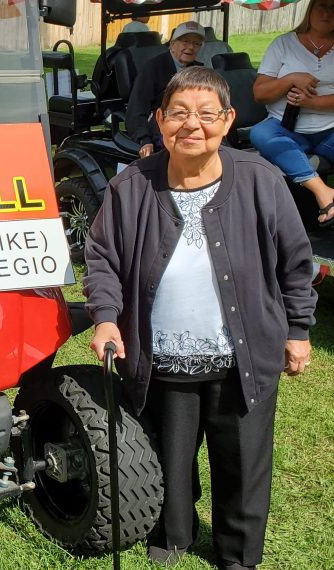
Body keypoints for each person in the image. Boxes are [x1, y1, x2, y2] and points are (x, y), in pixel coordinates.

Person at [84, 67, 316, 570]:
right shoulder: (131, 186)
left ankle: (238, 555)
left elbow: (297, 261)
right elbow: (103, 256)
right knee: (171, 457)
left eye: (207, 114)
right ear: (160, 120)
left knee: (243, 465)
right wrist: (106, 317)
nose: (193, 125)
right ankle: (173, 537)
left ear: (228, 120)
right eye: (180, 114)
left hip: (243, 356)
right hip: (162, 355)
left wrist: (297, 329)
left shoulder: (261, 179)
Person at [249, 0, 334, 227]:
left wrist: (313, 102)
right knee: (260, 134)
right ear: (310, 10)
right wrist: (291, 79)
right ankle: (323, 191)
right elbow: (260, 93)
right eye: (322, 6)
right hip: (285, 128)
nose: (327, 13)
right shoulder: (283, 44)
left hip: (330, 131)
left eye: (333, 7)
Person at [126, 21, 205, 158]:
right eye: (185, 42)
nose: (191, 47)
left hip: (192, 122)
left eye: (196, 43)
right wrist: (144, 139)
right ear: (173, 44)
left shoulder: (199, 71)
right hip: (161, 125)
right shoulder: (153, 68)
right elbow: (137, 107)